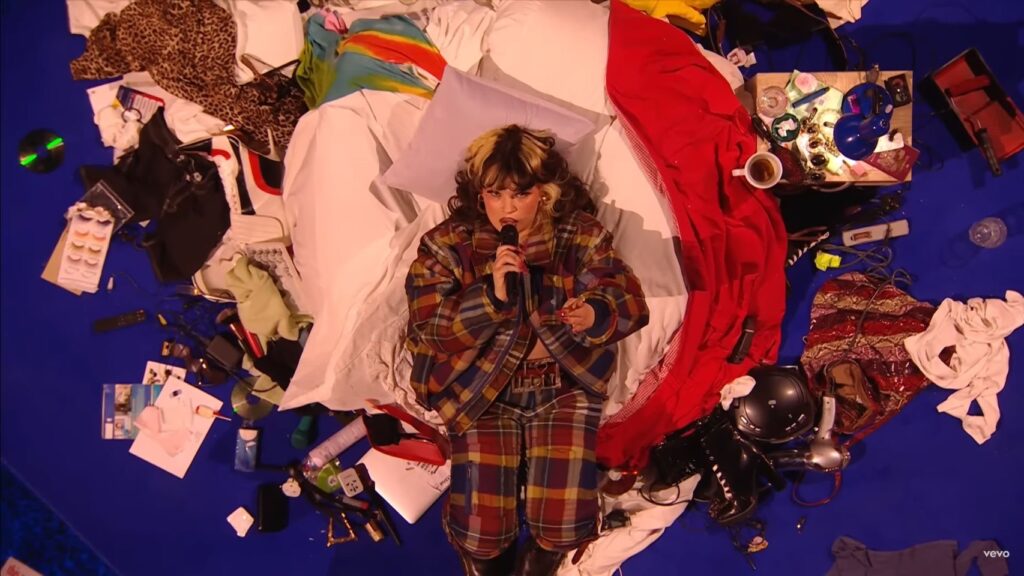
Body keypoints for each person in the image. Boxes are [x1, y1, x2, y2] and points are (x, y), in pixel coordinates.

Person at [405, 125, 649, 576]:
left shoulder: (579, 235)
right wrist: (490, 297)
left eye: (521, 194)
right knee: (481, 532)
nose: (508, 208)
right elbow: (428, 328)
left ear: (546, 192)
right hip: (482, 391)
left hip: (561, 388)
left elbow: (627, 298)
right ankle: (484, 557)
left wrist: (595, 313)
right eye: (495, 194)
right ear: (480, 194)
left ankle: (543, 556)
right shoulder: (449, 244)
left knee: (563, 526)